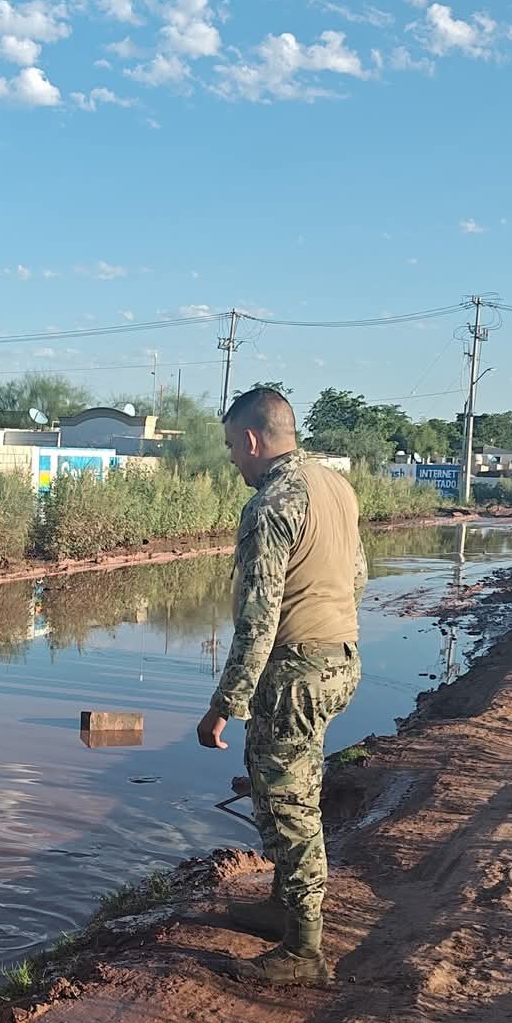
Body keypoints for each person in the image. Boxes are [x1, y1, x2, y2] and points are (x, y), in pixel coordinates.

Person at [195, 385, 363, 988]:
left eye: (230, 450)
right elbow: (357, 576)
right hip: (338, 660)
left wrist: (224, 705)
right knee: (296, 787)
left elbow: (258, 619)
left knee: (288, 806)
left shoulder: (270, 504)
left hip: (294, 671)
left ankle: (303, 949)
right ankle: (283, 905)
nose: (233, 462)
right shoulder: (334, 487)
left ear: (251, 440)